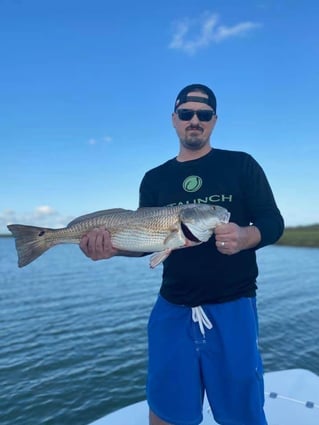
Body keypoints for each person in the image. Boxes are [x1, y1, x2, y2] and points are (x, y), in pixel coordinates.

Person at [80, 83, 284, 425]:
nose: (195, 120)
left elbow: (273, 222)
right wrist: (110, 249)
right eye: (186, 113)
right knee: (167, 411)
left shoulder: (241, 165)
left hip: (233, 305)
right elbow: (147, 239)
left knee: (242, 413)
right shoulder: (155, 178)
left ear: (214, 121)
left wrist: (246, 236)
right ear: (174, 120)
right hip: (172, 307)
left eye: (203, 115)